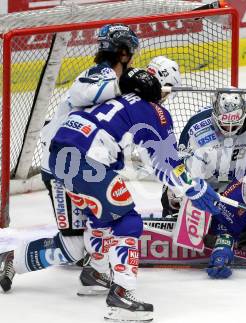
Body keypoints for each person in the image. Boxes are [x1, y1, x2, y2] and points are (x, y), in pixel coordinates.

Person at [0, 23, 162, 294]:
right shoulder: (100, 74)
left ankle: (96, 271)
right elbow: (82, 93)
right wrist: (128, 82)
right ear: (124, 51)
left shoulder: (113, 80)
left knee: (102, 224)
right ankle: (11, 261)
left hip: (84, 165)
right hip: (64, 167)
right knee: (75, 245)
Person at [161, 90, 246, 249]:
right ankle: (179, 220)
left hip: (241, 191)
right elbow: (180, 166)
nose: (229, 129)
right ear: (214, 115)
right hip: (207, 189)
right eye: (224, 123)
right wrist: (187, 190)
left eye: (235, 124)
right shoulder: (197, 127)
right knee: (174, 193)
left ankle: (239, 229)